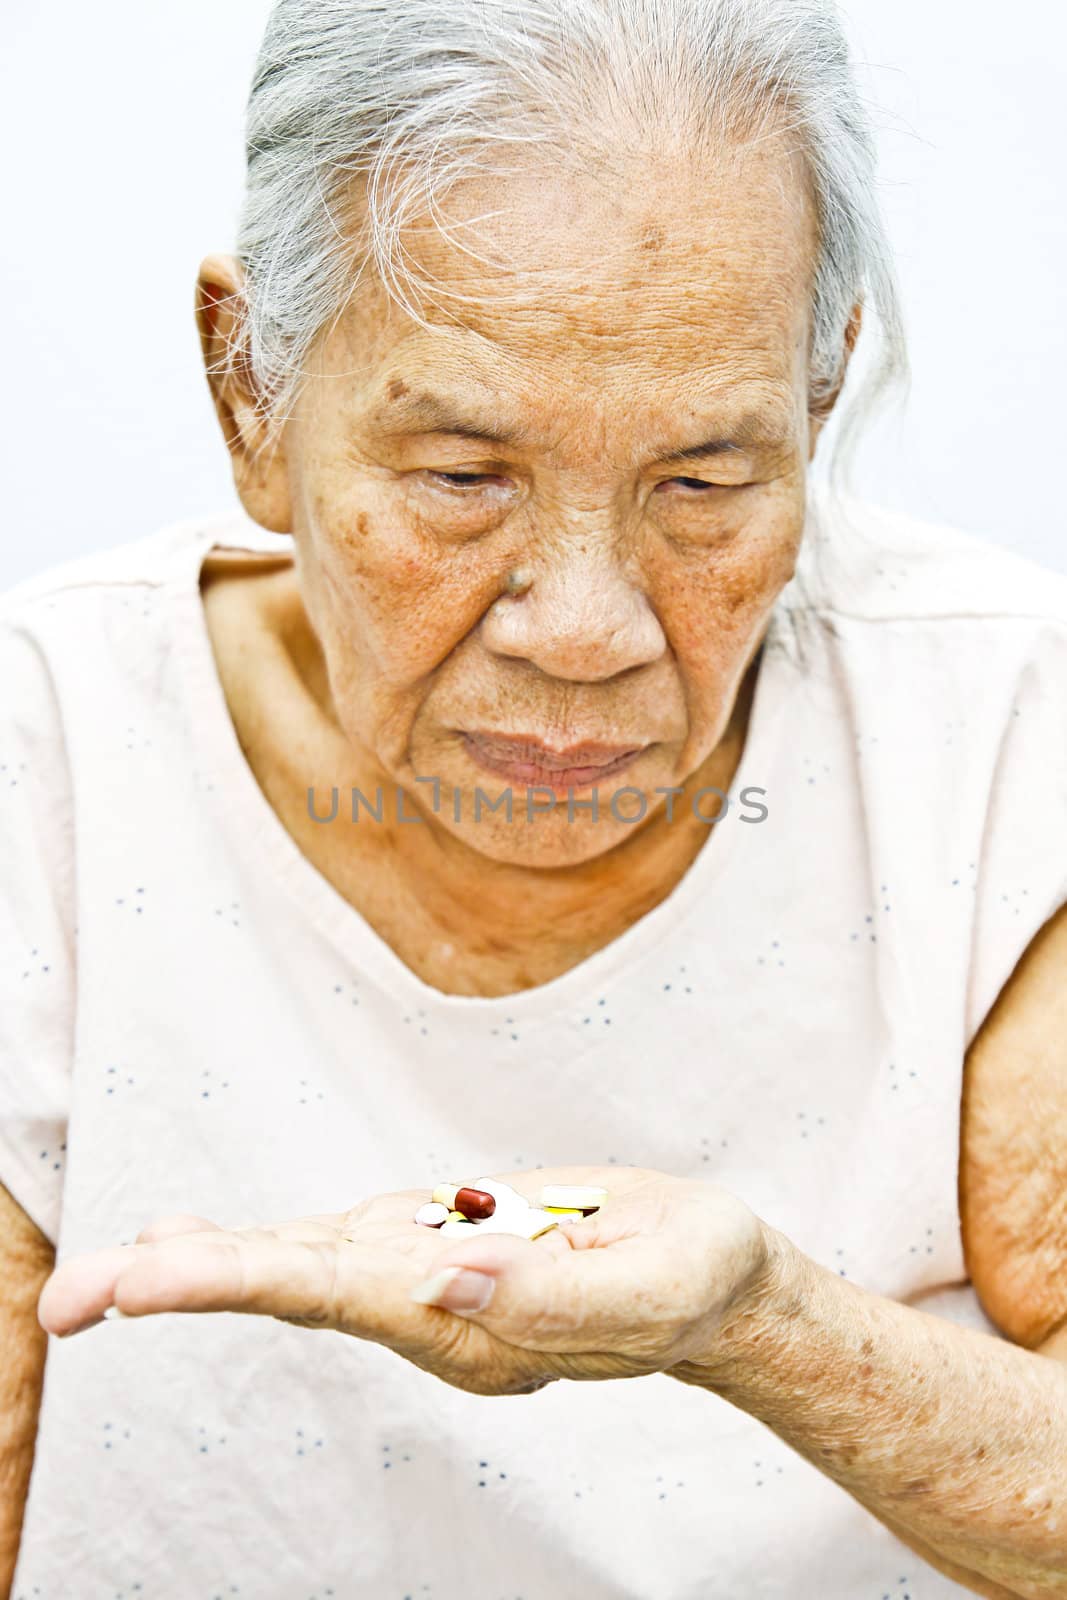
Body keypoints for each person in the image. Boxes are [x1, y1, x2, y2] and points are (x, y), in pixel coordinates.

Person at [3, 0, 1066, 1595]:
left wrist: (760, 1325)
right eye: (461, 478)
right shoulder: (49, 748)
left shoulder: (1005, 733)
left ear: (818, 397)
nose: (586, 631)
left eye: (702, 484)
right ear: (252, 396)